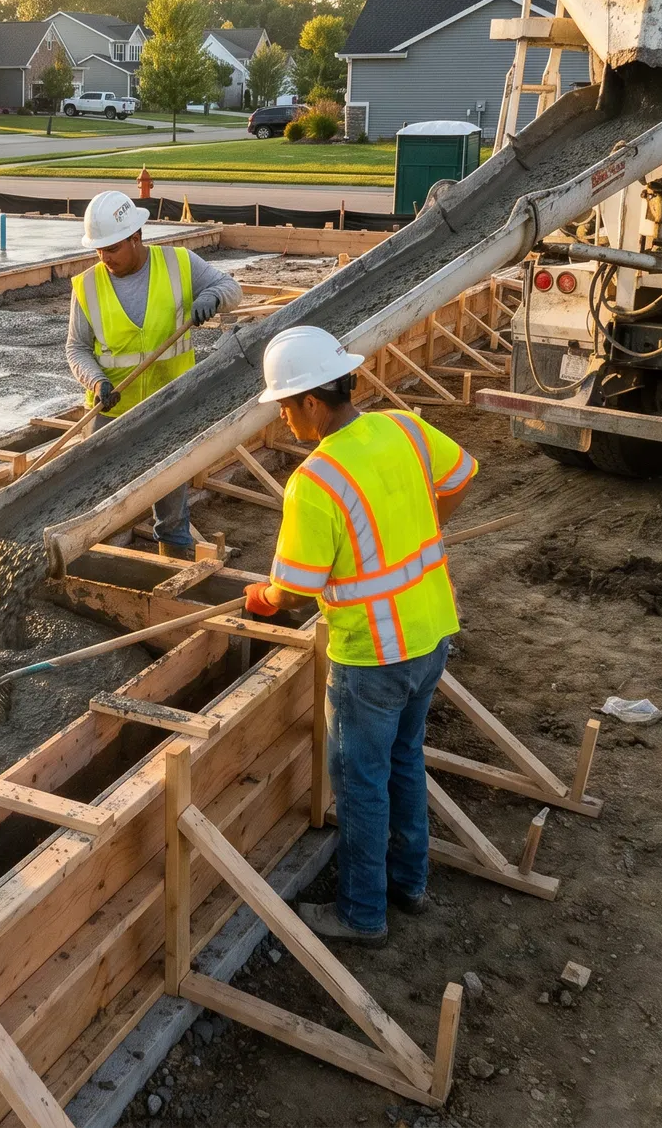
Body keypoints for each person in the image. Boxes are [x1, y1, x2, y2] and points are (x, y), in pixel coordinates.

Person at [243, 325, 477, 944]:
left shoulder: (315, 482)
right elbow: (460, 475)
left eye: (285, 406)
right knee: (405, 759)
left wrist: (263, 598)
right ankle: (411, 882)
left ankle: (362, 915)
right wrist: (423, 529)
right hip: (432, 634)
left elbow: (294, 590)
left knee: (362, 783)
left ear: (312, 402)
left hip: (372, 656)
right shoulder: (401, 428)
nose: (283, 419)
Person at [66, 189, 242, 557]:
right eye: (98, 249)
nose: (104, 257)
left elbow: (231, 288)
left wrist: (211, 298)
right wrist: (97, 381)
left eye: (112, 248)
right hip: (113, 408)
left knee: (168, 481)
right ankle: (87, 550)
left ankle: (174, 546)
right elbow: (77, 348)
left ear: (136, 237)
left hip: (170, 401)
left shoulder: (179, 263)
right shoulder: (87, 285)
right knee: (94, 486)